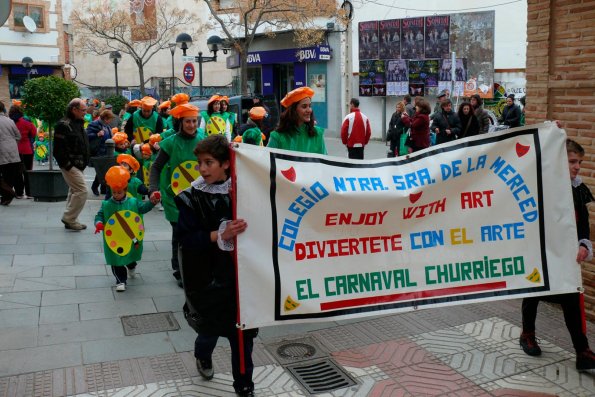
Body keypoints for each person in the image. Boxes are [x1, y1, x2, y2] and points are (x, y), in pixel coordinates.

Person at [175, 134, 256, 397]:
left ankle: (244, 387)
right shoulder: (191, 198)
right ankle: (203, 355)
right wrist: (219, 234)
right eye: (200, 163)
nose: (202, 169)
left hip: (243, 280)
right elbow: (186, 240)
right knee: (209, 331)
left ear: (226, 164)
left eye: (209, 162)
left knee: (242, 339)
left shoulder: (246, 191)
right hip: (209, 279)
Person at [519, 139, 595, 371]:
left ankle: (582, 351)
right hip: (539, 248)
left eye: (579, 162)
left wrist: (583, 243)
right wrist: (552, 130)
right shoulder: (541, 185)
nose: (577, 167)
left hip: (565, 254)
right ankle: (527, 334)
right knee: (532, 291)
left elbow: (583, 222)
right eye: (572, 161)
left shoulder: (577, 188)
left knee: (571, 297)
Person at [149, 103, 206, 287]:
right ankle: (179, 270)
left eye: (194, 121)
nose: (192, 125)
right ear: (180, 122)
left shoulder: (204, 139)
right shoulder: (170, 143)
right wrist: (153, 189)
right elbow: (156, 168)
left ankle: (195, 266)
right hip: (175, 197)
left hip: (199, 196)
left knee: (197, 233)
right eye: (188, 121)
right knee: (179, 234)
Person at [94, 165, 158, 292]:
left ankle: (132, 265)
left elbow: (143, 208)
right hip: (115, 238)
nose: (116, 195)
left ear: (125, 190)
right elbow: (99, 215)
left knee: (129, 256)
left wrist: (152, 203)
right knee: (116, 259)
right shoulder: (106, 204)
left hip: (129, 237)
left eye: (119, 192)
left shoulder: (133, 202)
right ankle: (120, 281)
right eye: (114, 192)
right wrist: (99, 223)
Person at [53, 98, 91, 230]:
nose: (85, 112)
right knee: (82, 191)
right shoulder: (63, 125)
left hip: (79, 164)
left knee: (75, 190)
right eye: (83, 110)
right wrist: (68, 165)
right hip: (71, 165)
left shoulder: (77, 123)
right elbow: (58, 150)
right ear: (74, 110)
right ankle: (69, 218)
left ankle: (71, 218)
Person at [267, 87, 326, 155]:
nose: (309, 110)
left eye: (309, 106)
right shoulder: (277, 137)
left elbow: (324, 163)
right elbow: (266, 162)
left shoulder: (317, 134)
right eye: (304, 106)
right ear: (293, 110)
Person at [10, 105, 36, 199]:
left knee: (17, 172)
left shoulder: (11, 123)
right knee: (28, 171)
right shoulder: (27, 122)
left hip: (14, 150)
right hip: (27, 149)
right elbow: (33, 133)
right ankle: (29, 193)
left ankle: (19, 193)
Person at [87, 109, 115, 196]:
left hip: (106, 151)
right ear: (106, 118)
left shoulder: (107, 126)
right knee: (101, 170)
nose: (111, 121)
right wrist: (97, 134)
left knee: (105, 170)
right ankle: (95, 186)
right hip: (98, 151)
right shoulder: (94, 124)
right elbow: (87, 135)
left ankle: (103, 188)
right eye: (110, 119)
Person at [0, 100, 22, 206]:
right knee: (8, 175)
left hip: (1, 152)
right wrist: (12, 144)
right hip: (13, 151)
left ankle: (9, 192)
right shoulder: (10, 121)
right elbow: (18, 136)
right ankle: (5, 199)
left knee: (4, 175)